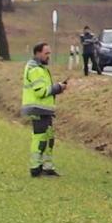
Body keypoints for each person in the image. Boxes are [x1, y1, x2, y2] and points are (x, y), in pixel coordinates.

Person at [22, 41, 68, 177]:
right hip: (37, 109)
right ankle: (35, 168)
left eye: (49, 53)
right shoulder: (35, 69)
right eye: (46, 53)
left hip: (44, 109)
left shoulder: (40, 68)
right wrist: (58, 88)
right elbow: (41, 92)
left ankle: (47, 167)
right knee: (40, 139)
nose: (48, 56)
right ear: (37, 53)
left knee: (49, 138)